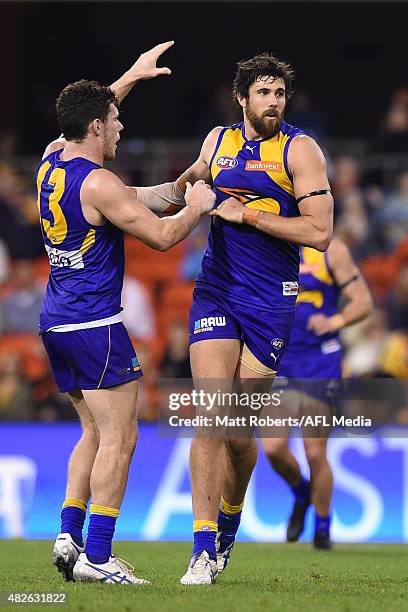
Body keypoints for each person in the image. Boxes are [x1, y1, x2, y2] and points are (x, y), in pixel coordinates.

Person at [136, 52, 333, 584]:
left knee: (240, 434)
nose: (273, 102)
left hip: (271, 300)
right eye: (264, 93)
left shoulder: (301, 150)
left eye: (280, 94)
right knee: (212, 416)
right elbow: (182, 191)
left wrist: (247, 213)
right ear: (241, 98)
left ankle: (229, 520)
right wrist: (146, 197)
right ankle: (203, 549)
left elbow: (319, 233)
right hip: (217, 290)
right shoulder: (217, 141)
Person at [38, 42, 215, 585]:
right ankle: (98, 556)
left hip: (56, 323)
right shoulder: (100, 183)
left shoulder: (52, 157)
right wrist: (196, 209)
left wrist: (131, 77)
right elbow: (161, 237)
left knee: (91, 432)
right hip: (96, 325)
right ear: (96, 127)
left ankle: (68, 534)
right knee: (122, 437)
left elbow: (87, 117)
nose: (121, 126)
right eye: (115, 121)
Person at [262, 238, 373, 549]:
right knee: (272, 447)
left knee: (314, 452)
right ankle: (301, 492)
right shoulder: (270, 245)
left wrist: (335, 320)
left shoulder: (331, 250)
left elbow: (363, 301)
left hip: (319, 362)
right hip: (280, 358)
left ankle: (322, 530)